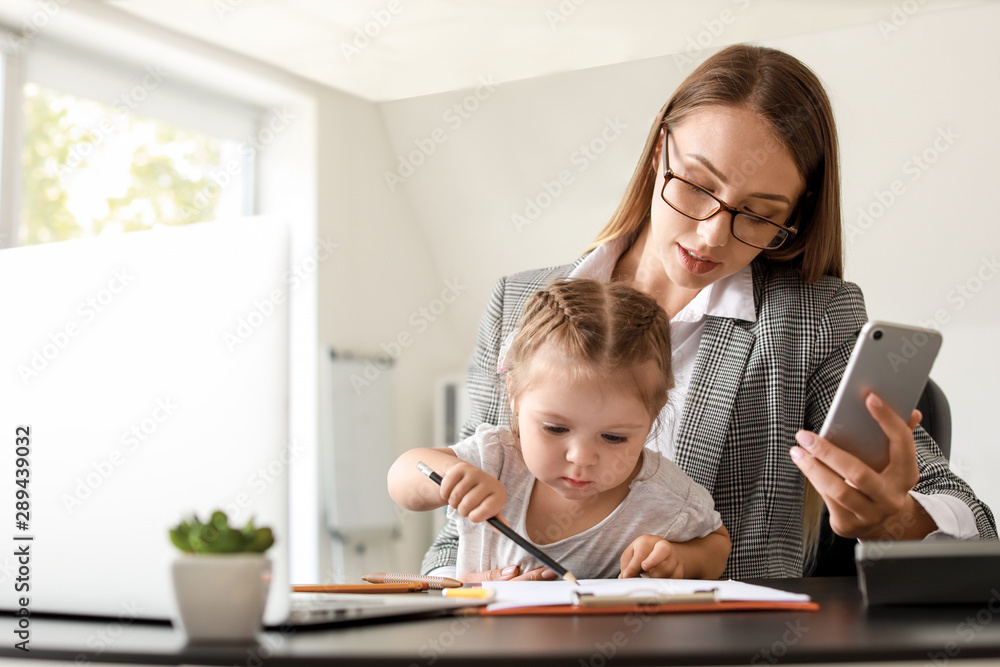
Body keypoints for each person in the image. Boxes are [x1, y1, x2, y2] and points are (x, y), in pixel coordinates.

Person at [421, 44, 997, 582]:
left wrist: (893, 519)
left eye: (759, 213)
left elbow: (971, 522)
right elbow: (460, 523)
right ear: (657, 153)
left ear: (796, 213)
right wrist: (463, 593)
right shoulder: (518, 303)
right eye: (697, 184)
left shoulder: (812, 318)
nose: (712, 234)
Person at [389, 278, 731, 579]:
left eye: (614, 437)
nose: (581, 458)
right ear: (514, 395)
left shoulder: (665, 497)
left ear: (654, 415)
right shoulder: (495, 459)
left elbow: (717, 544)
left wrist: (680, 560)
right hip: (483, 642)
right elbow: (402, 477)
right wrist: (449, 476)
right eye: (555, 428)